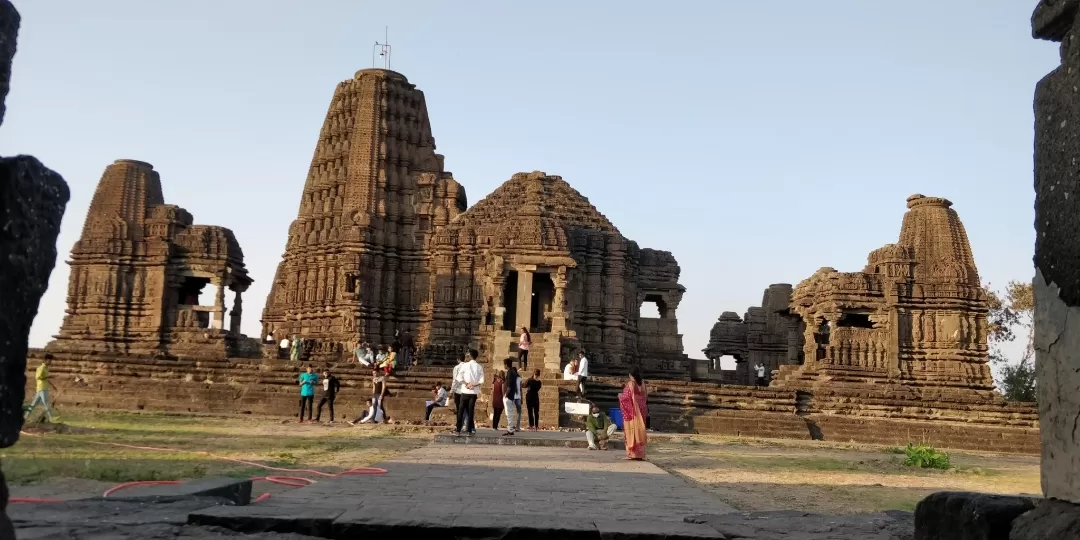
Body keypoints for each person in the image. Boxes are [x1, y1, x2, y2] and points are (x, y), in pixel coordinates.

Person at [618, 368, 648, 460]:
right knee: (640, 429)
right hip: (642, 408)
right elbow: (645, 396)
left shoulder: (631, 384)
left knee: (632, 430)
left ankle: (632, 454)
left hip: (632, 411)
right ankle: (640, 454)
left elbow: (626, 397)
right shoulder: (643, 383)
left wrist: (620, 396)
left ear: (631, 375)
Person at [454, 348, 484, 436]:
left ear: (470, 356)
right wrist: (473, 385)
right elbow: (481, 381)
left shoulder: (465, 365)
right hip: (473, 392)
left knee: (461, 410)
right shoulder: (479, 367)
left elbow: (459, 378)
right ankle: (470, 430)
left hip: (465, 391)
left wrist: (467, 384)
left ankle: (458, 430)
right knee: (471, 411)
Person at [25, 356, 55, 422]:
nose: (50, 362)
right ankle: (51, 418)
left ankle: (25, 416)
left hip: (44, 387)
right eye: (50, 360)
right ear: (46, 360)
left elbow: (46, 378)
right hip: (42, 387)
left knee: (34, 404)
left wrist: (52, 385)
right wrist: (49, 376)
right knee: (46, 403)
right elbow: (38, 377)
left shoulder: (46, 368)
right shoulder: (40, 368)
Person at [502, 358, 522, 436]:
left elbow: (509, 386)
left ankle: (510, 429)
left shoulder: (510, 373)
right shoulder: (513, 372)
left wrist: (505, 395)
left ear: (506, 364)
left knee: (509, 413)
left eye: (504, 364)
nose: (504, 365)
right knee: (509, 413)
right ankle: (510, 428)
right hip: (511, 396)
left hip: (509, 396)